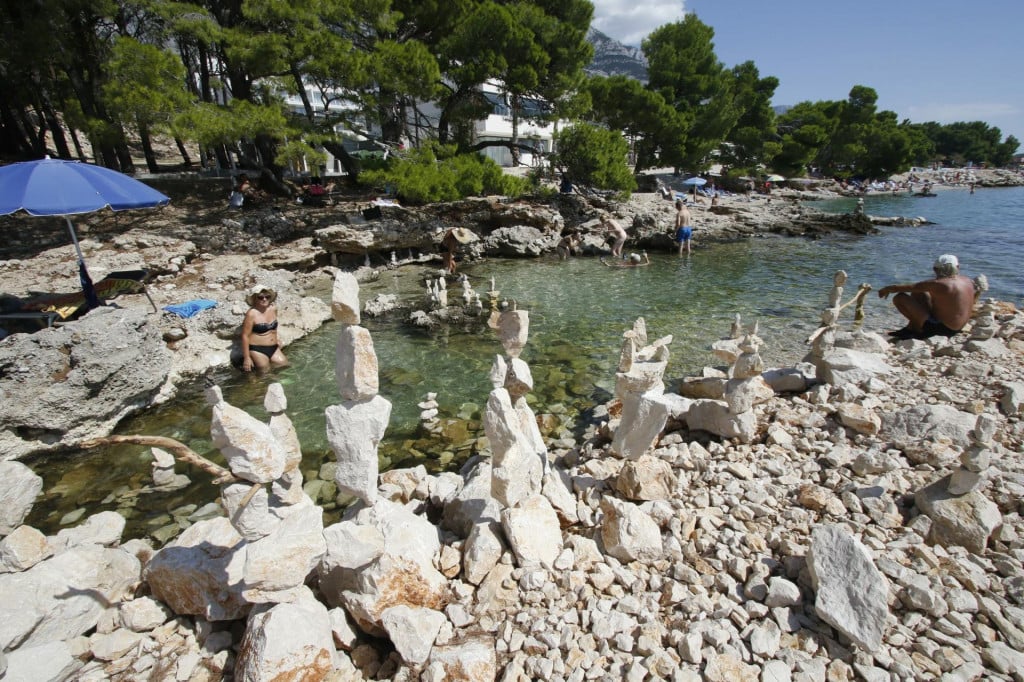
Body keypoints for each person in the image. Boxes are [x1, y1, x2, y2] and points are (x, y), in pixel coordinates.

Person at [878, 254, 975, 340]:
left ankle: (918, 331)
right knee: (919, 293)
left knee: (900, 298)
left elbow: (901, 288)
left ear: (935, 269)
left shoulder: (939, 284)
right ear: (958, 267)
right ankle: (910, 328)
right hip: (957, 328)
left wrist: (886, 289)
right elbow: (917, 289)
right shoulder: (968, 281)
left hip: (941, 330)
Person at [240, 285, 288, 372]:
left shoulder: (273, 309)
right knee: (264, 371)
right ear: (255, 298)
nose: (264, 299)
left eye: (267, 297)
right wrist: (246, 358)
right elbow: (245, 336)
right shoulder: (251, 314)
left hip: (273, 347)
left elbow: (273, 328)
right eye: (260, 297)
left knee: (284, 365)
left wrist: (276, 339)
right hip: (257, 348)